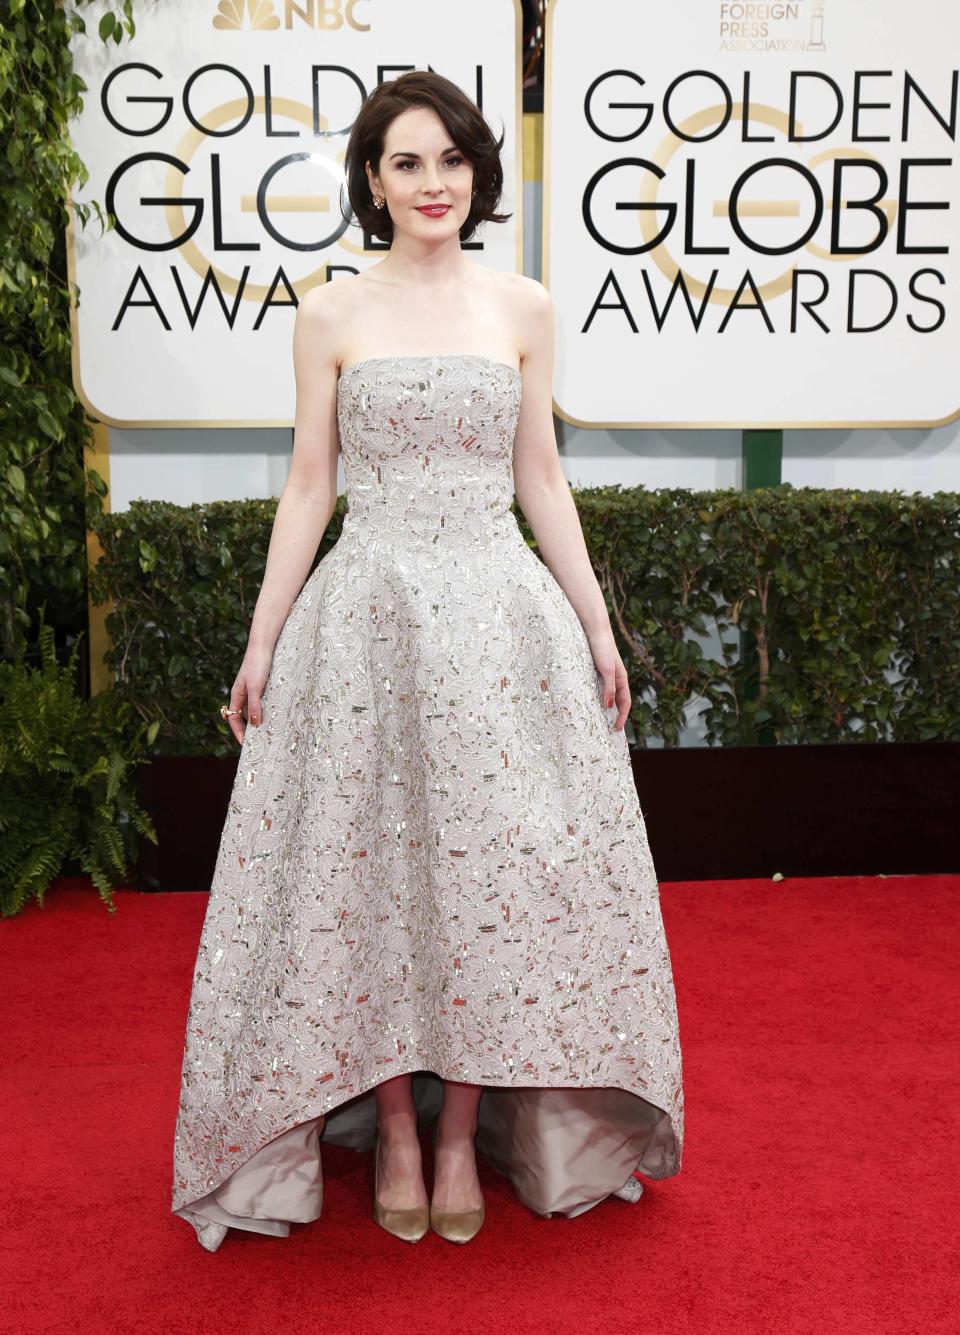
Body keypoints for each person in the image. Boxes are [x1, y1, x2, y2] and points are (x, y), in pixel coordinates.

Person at [171, 69, 683, 1253]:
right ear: (371, 181)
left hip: (502, 629)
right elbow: (310, 486)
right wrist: (263, 639)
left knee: (496, 886)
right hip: (366, 624)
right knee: (370, 878)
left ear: (477, 172)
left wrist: (598, 627)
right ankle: (396, 1128)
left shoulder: (526, 307)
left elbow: (540, 478)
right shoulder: (331, 315)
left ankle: (464, 1136)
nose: (433, 182)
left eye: (450, 159)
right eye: (407, 162)